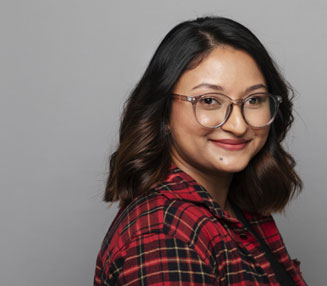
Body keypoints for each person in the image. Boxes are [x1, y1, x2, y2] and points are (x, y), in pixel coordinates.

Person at [94, 16, 307, 286]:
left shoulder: (237, 210)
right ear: (164, 112)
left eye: (254, 100)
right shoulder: (164, 234)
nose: (238, 125)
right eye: (209, 101)